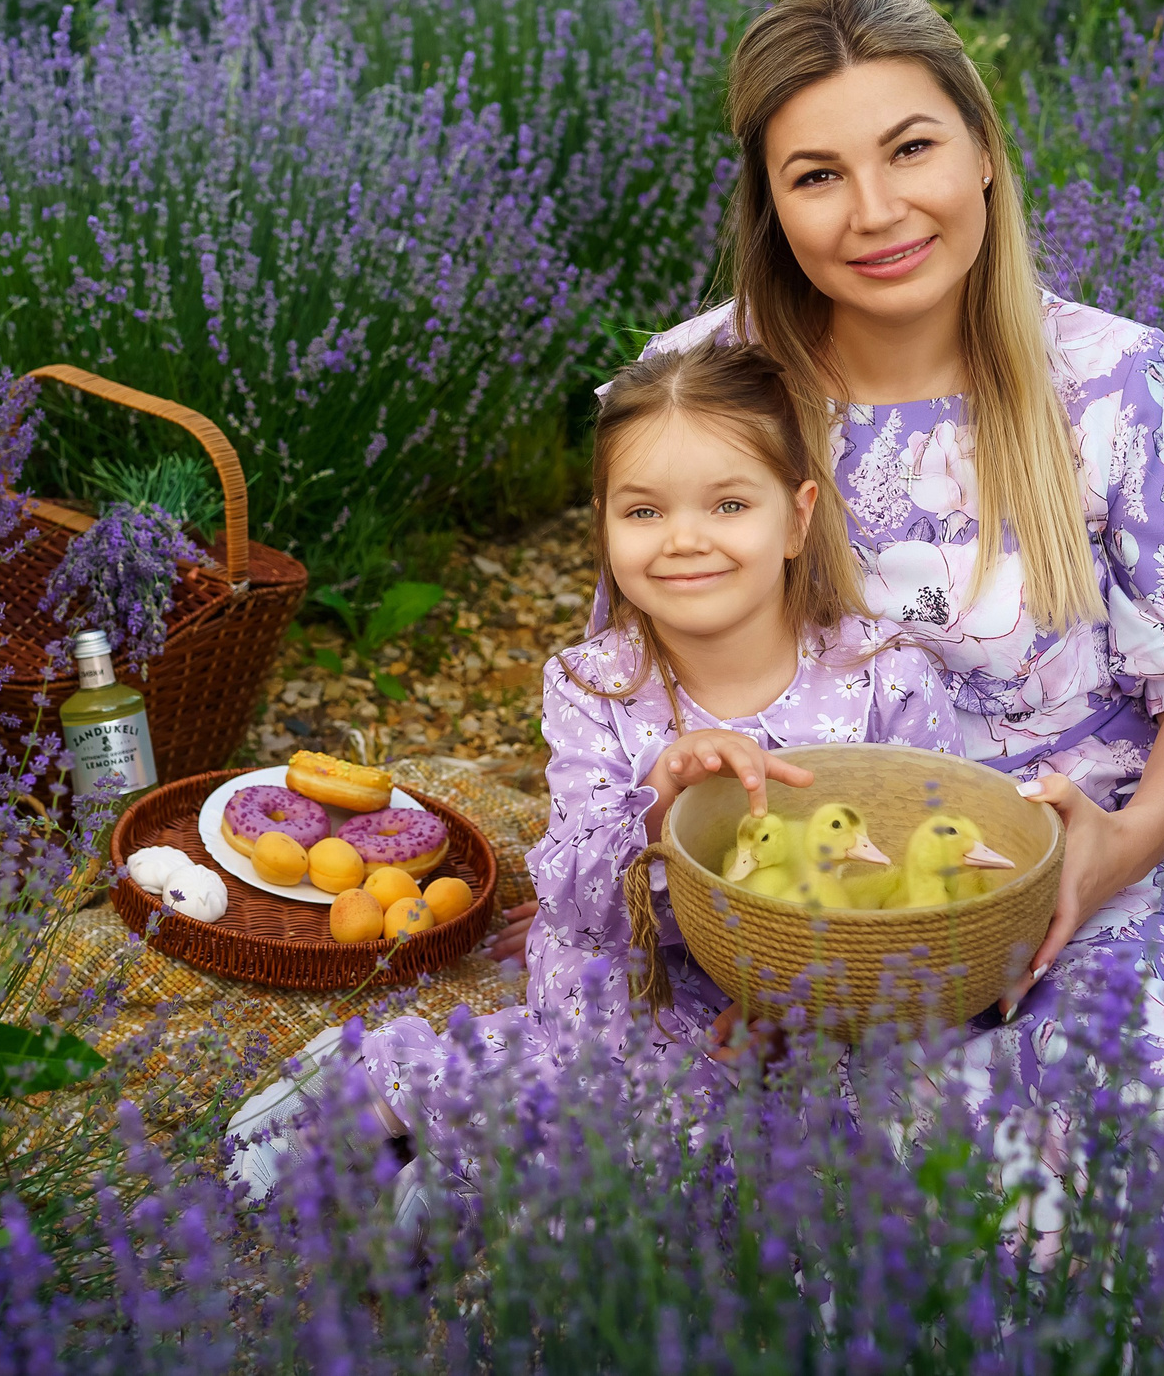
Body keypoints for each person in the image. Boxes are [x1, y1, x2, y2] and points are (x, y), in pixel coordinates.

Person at [488, 0, 1164, 1136]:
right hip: (818, 868)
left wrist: (1114, 855)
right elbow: (645, 665)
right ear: (770, 204)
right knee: (792, 1143)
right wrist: (750, 924)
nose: (875, 211)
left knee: (1093, 1099)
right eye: (817, 176)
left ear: (982, 150)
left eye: (911, 149)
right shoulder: (707, 377)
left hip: (1120, 834)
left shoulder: (1107, 379)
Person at [228, 340, 959, 1197]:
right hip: (638, 978)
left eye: (728, 503)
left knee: (815, 1147)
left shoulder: (884, 676)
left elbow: (924, 886)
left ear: (797, 518)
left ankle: (477, 1155)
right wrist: (661, 807)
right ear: (604, 522)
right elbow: (581, 896)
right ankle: (396, 1084)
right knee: (642, 1107)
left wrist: (798, 1012)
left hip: (818, 999)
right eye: (643, 511)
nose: (685, 539)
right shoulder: (597, 684)